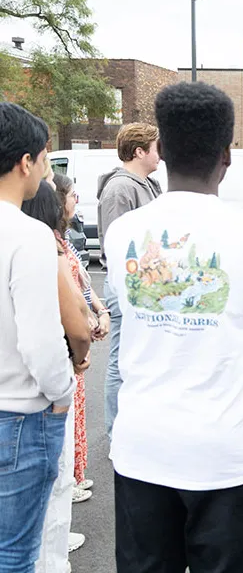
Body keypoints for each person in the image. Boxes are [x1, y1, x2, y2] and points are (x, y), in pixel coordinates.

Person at [105, 82, 243, 573]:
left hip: (143, 451)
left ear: (165, 151)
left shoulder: (121, 233)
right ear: (227, 155)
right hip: (233, 455)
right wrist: (239, 325)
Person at [0, 102, 76, 572]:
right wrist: (63, 391)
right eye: (45, 159)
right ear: (26, 162)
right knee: (14, 553)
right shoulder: (26, 235)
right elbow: (41, 342)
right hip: (20, 415)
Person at [21, 180, 94, 570]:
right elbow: (77, 326)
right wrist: (74, 368)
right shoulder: (44, 249)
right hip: (44, 392)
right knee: (54, 483)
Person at [97, 122, 161, 442]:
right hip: (127, 289)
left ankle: (141, 429)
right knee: (120, 364)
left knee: (145, 361)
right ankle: (116, 434)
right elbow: (115, 244)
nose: (160, 154)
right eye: (156, 147)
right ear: (140, 152)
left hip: (150, 287)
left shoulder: (150, 185)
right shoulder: (120, 188)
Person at [53, 173, 110, 505]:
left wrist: (100, 310)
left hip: (82, 326)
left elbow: (85, 286)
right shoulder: (49, 241)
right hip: (68, 342)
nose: (77, 200)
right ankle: (66, 481)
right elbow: (70, 292)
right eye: (73, 194)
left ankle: (74, 474)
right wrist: (84, 331)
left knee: (76, 411)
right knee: (65, 413)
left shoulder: (67, 237)